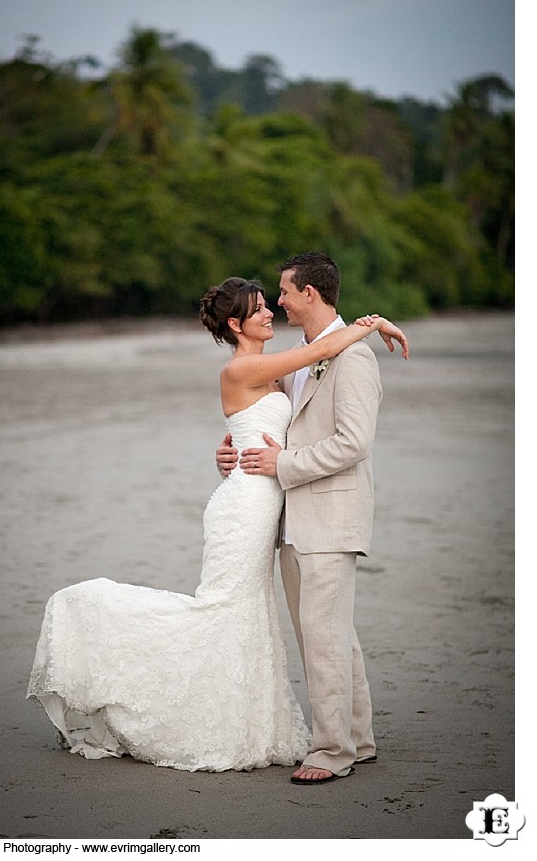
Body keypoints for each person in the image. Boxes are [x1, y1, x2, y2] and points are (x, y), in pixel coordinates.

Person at [27, 275, 408, 774]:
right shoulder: (252, 366)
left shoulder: (286, 362)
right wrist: (374, 323)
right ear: (235, 323)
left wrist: (230, 447)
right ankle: (99, 623)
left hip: (281, 503)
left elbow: (275, 424)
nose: (274, 307)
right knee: (227, 609)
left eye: (280, 296)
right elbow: (325, 348)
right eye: (260, 307)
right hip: (248, 507)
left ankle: (335, 738)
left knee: (280, 622)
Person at [216, 253, 408, 785]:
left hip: (328, 514)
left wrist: (284, 465)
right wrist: (235, 451)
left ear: (311, 294)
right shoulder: (302, 356)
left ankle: (331, 751)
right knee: (330, 635)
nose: (278, 302)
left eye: (284, 292)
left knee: (324, 637)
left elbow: (353, 443)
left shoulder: (353, 358)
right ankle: (358, 739)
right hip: (288, 518)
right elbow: (267, 422)